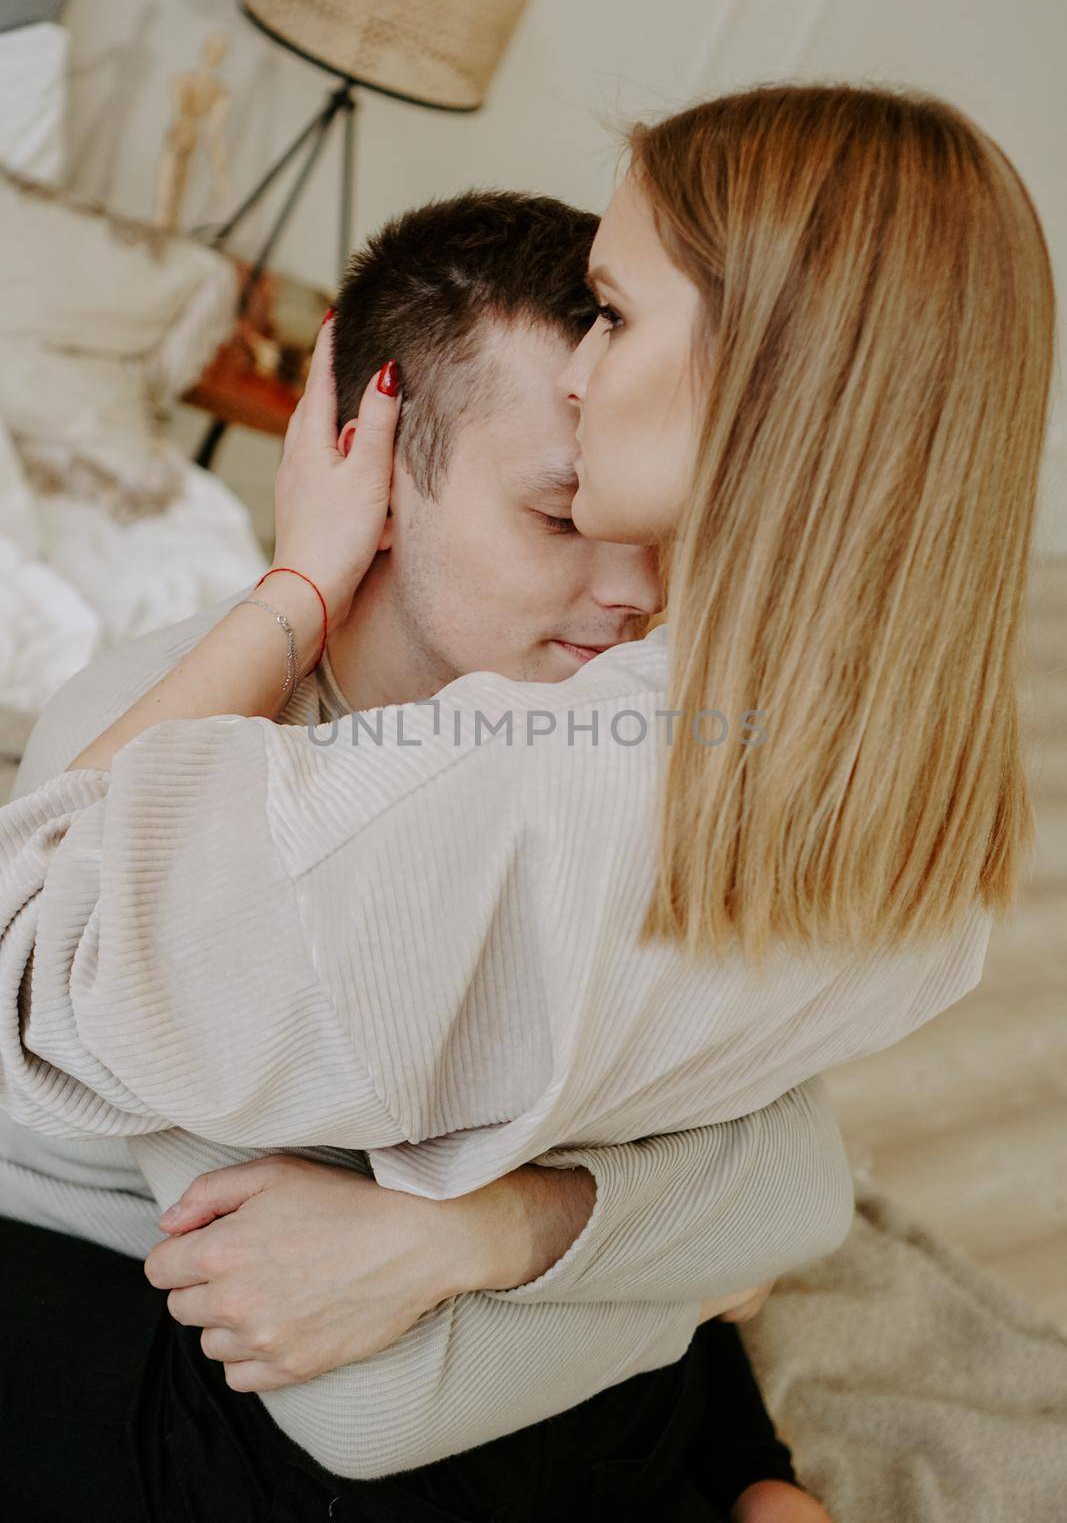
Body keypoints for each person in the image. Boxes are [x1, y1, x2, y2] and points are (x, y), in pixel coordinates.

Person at [0, 78, 1053, 1502]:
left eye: (657, 531)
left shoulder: (603, 765)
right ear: (378, 472)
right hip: (101, 1240)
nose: (629, 591)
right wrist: (674, 1244)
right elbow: (750, 1190)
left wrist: (485, 1233)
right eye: (558, 516)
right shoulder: (204, 776)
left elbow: (791, 1172)